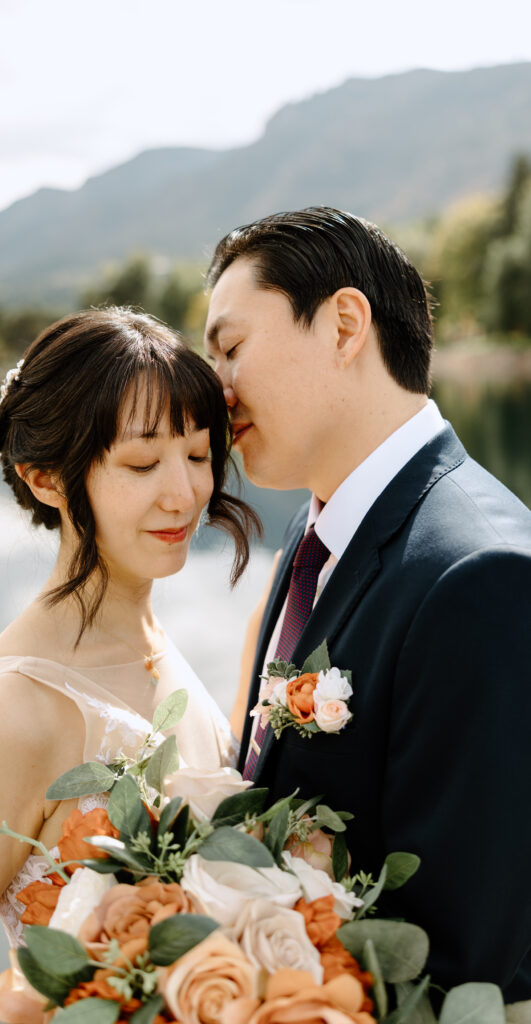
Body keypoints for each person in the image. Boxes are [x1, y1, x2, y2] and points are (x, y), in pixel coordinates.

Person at [0, 308, 259, 1023]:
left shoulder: (152, 635)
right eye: (142, 463)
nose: (183, 494)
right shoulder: (15, 706)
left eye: (197, 453)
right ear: (46, 479)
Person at [203, 208, 531, 1002]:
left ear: (344, 324)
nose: (214, 387)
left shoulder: (480, 574)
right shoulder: (317, 532)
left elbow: (459, 964)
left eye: (232, 348)